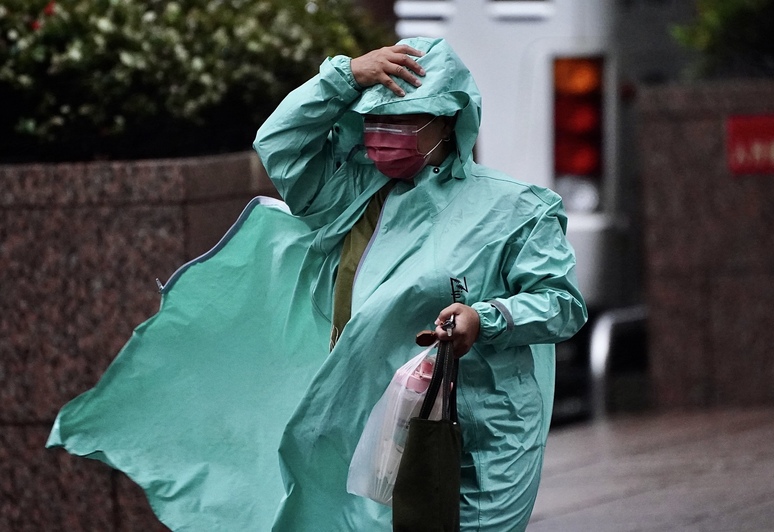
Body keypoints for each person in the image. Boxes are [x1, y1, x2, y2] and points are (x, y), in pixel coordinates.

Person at [47, 37, 586, 531]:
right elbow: (279, 142)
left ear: (448, 120)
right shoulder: (349, 192)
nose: (382, 136)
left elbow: (562, 305)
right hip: (366, 421)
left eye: (402, 120)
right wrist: (345, 76)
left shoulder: (517, 208)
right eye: (372, 120)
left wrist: (483, 318)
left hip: (481, 432)